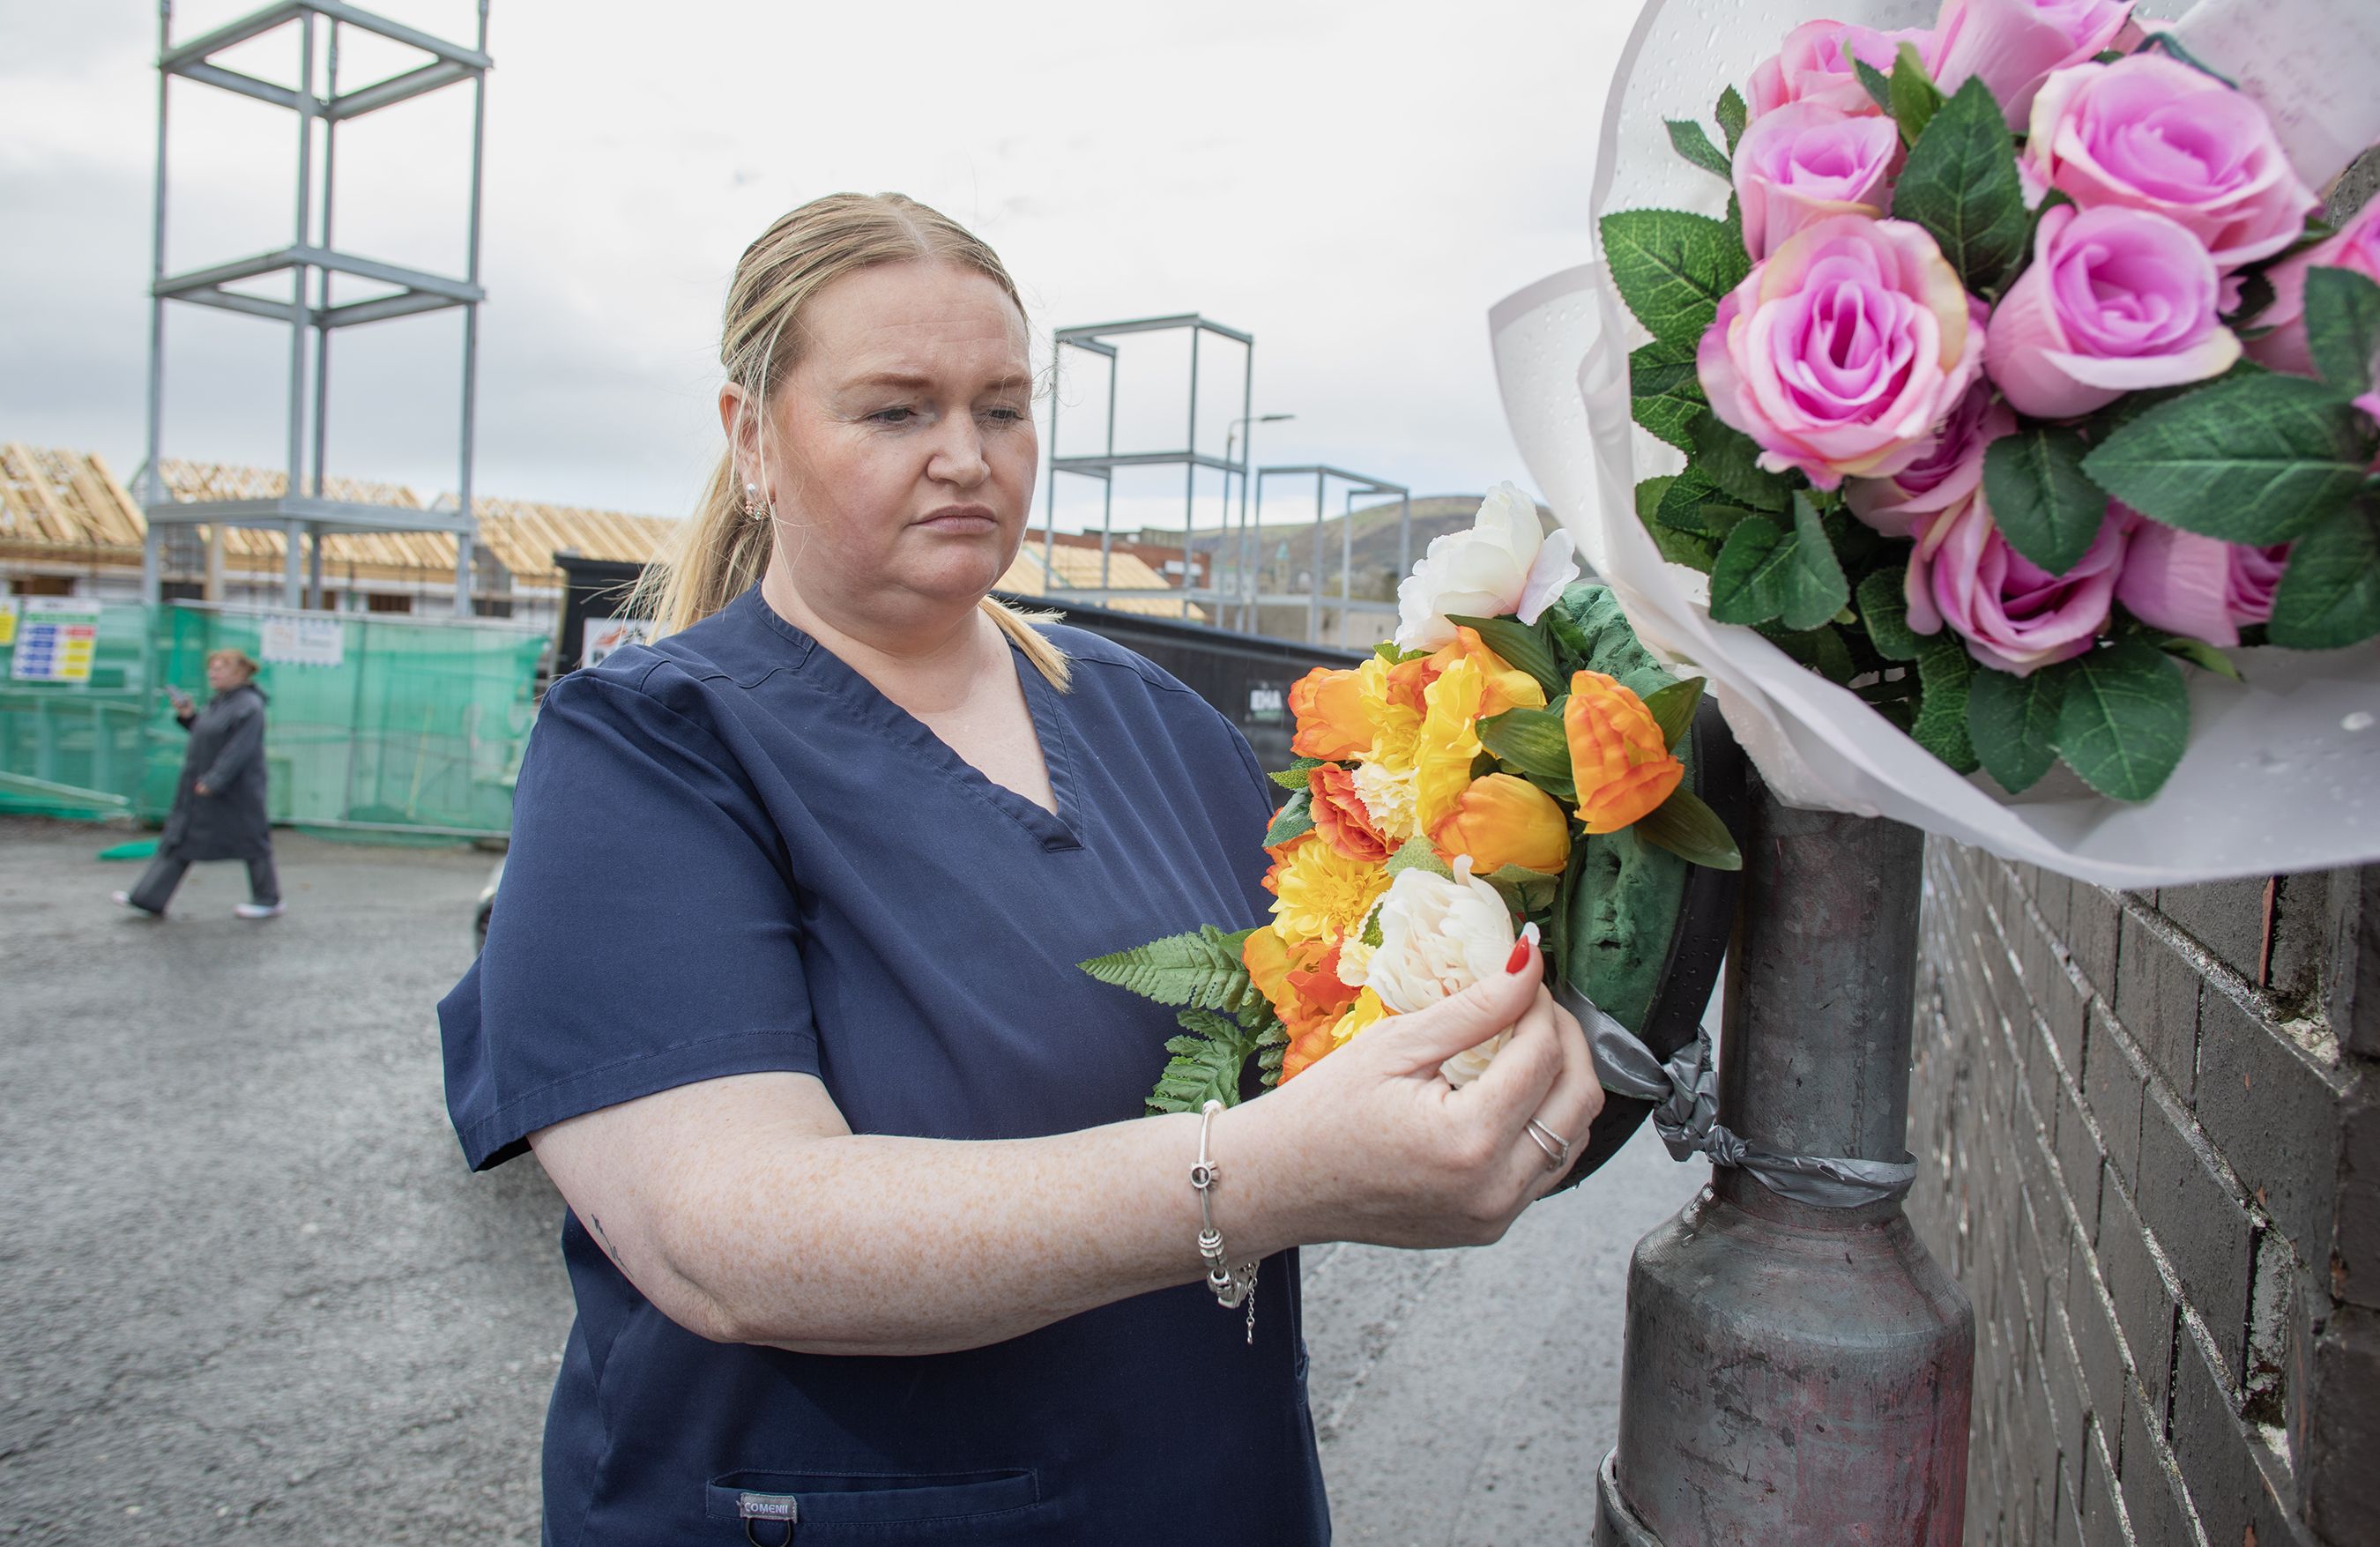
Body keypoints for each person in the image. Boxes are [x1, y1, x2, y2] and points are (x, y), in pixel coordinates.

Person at [438, 192, 1603, 1546]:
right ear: (751, 438)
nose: (965, 455)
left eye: (1002, 407)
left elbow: (1335, 1022)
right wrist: (1258, 1174)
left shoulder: (1158, 724)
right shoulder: (649, 750)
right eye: (896, 410)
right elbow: (726, 1235)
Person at [115, 647, 282, 919]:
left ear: (240, 673)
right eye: (211, 668)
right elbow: (209, 734)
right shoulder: (221, 702)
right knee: (181, 839)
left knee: (252, 841)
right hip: (204, 786)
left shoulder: (249, 706)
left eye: (220, 668)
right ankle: (148, 898)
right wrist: (189, 716)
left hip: (236, 791)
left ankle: (268, 899)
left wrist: (215, 780)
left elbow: (239, 750)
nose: (213, 673)